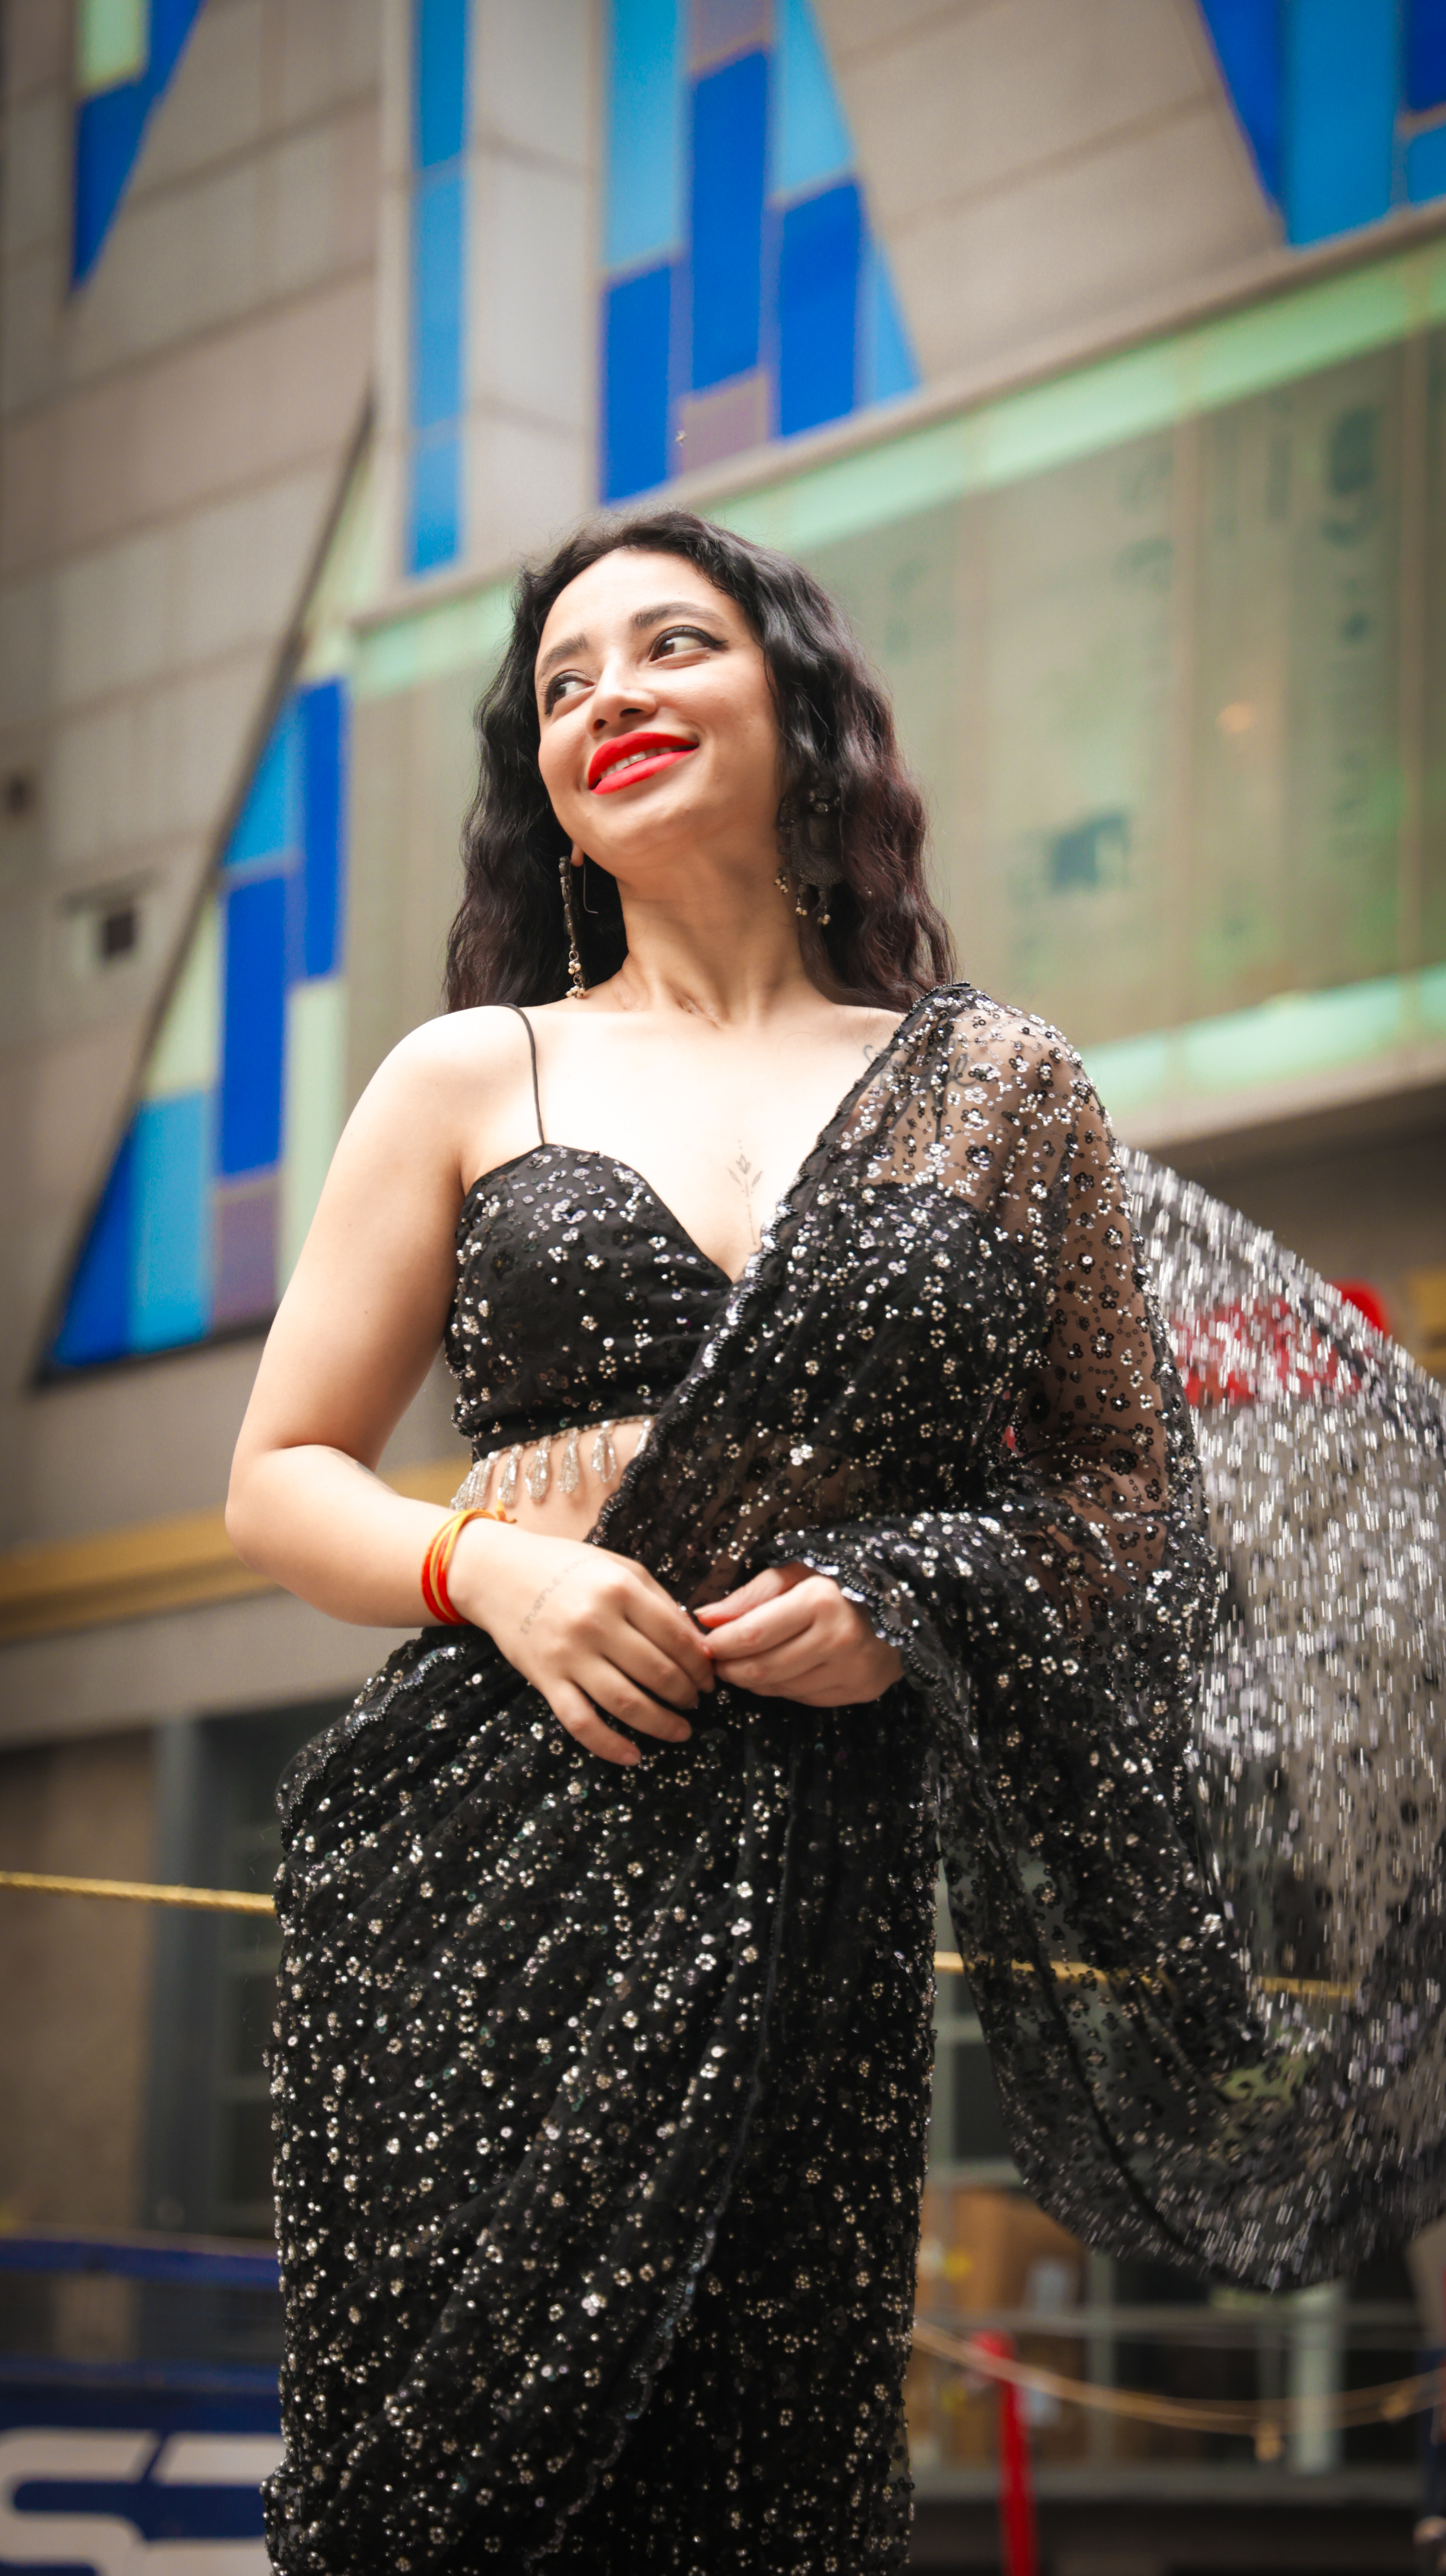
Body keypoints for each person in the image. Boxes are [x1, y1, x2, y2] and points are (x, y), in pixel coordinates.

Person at [228, 510, 1446, 2575]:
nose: (605, 696)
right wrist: (493, 1569)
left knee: (763, 2473)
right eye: (560, 684)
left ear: (798, 703)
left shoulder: (991, 1092)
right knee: (438, 2498)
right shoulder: (466, 1072)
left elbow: (1119, 1495)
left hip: (819, 1863)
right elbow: (279, 1477)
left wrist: (910, 1594)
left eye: (666, 647)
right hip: (477, 1859)